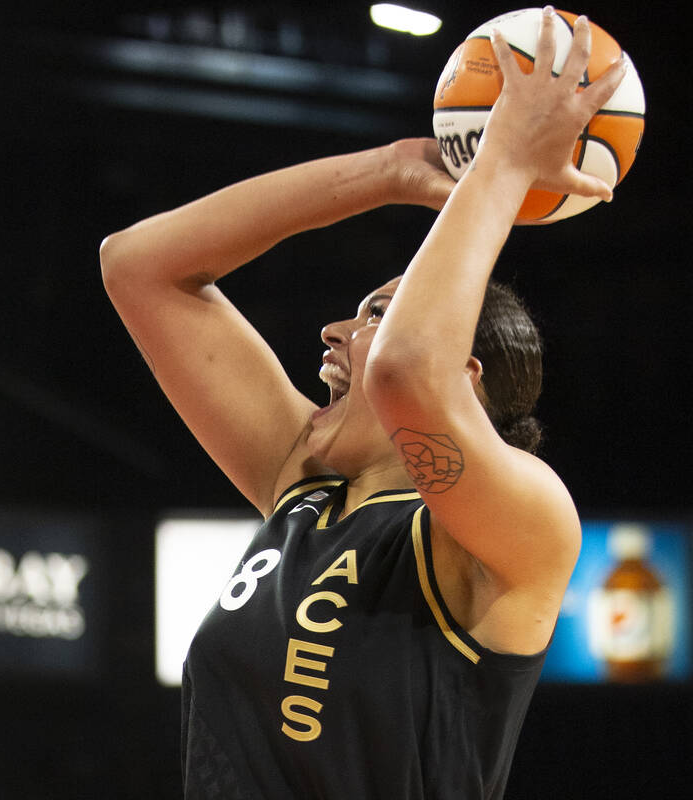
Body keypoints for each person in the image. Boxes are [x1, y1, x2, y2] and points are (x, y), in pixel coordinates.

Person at [101, 9, 625, 799]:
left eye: (374, 314)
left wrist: (505, 164)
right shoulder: (303, 487)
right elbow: (139, 265)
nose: (333, 331)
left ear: (469, 375)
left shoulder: (518, 530)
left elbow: (410, 369)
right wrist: (391, 169)